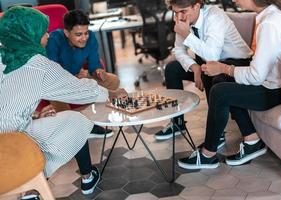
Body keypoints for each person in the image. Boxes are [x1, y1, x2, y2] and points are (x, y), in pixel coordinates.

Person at [0, 6, 127, 200]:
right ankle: (40, 181)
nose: (48, 36)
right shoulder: (38, 64)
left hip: (8, 134)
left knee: (48, 121)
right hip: (12, 141)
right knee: (74, 120)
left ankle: (30, 188)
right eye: (43, 32)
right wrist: (112, 94)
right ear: (30, 35)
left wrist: (33, 114)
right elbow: (78, 90)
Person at [178, 0, 281, 170]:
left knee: (220, 92)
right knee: (220, 79)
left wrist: (224, 67)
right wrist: (223, 71)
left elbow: (256, 76)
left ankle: (208, 154)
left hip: (275, 91)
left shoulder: (270, 23)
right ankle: (252, 141)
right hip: (273, 83)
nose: (234, 0)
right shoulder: (270, 15)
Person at [154, 0, 253, 144]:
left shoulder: (214, 16)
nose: (179, 17)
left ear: (197, 5)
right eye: (175, 12)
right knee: (172, 69)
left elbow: (212, 56)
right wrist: (194, 67)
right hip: (209, 62)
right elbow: (179, 50)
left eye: (183, 11)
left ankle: (217, 135)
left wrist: (187, 35)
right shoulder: (184, 19)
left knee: (208, 70)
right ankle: (178, 123)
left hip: (237, 63)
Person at [45, 10, 120, 139]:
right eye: (79, 34)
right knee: (54, 92)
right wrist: (73, 78)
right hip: (59, 83)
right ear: (67, 33)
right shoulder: (53, 40)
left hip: (79, 78)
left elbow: (94, 64)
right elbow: (52, 72)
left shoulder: (91, 37)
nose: (84, 37)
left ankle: (95, 119)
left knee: (113, 80)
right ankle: (79, 127)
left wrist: (98, 71)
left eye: (86, 33)